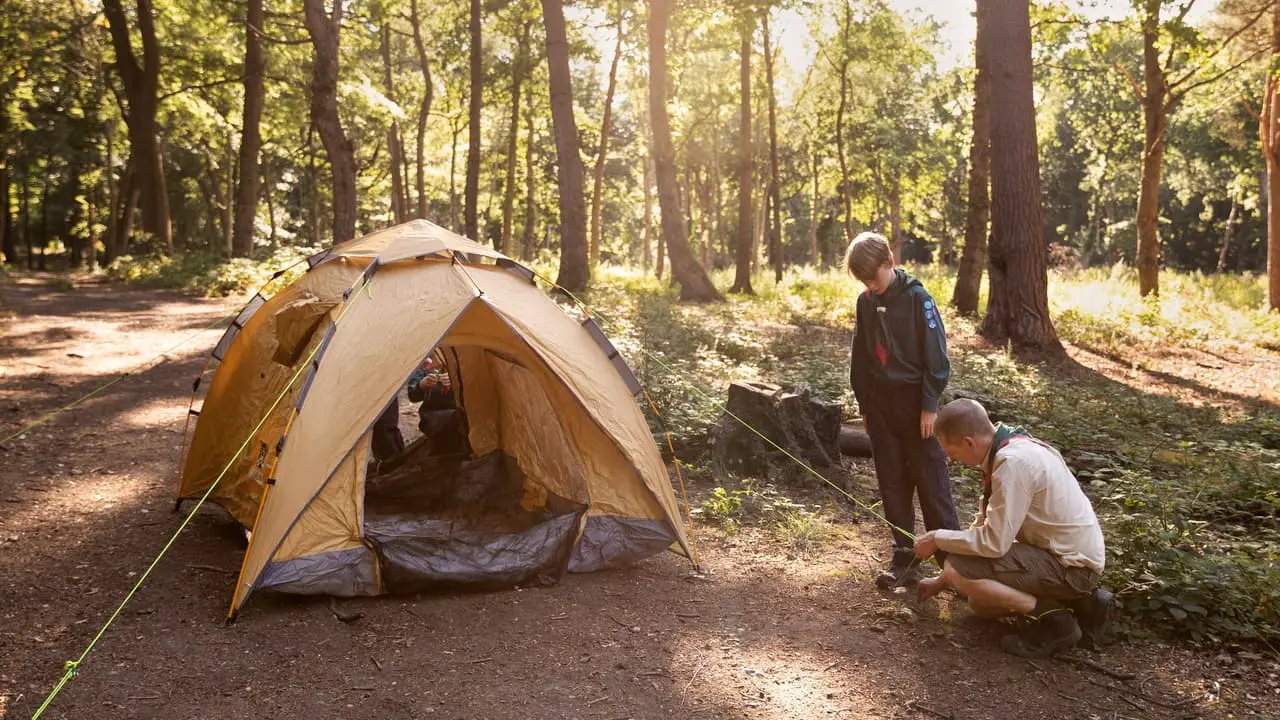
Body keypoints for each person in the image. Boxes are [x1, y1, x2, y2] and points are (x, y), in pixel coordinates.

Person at [913, 398, 1114, 658]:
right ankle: (1081, 603)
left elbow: (994, 543)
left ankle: (1055, 621)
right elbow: (987, 523)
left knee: (956, 568)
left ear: (969, 442)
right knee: (980, 602)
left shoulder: (1013, 463)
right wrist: (942, 581)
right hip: (1064, 557)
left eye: (952, 452)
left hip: (1072, 567)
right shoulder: (1011, 445)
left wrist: (937, 539)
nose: (952, 459)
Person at [845, 231, 960, 589]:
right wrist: (865, 404)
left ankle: (953, 565)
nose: (870, 285)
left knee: (931, 483)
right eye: (863, 280)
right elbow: (861, 356)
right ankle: (903, 558)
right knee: (892, 484)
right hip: (881, 407)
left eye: (873, 277)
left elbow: (937, 358)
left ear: (889, 262)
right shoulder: (866, 302)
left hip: (915, 406)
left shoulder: (918, 299)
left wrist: (929, 405)